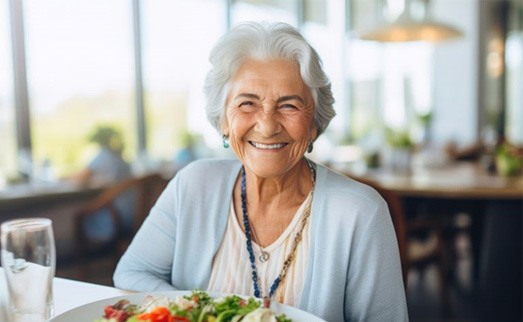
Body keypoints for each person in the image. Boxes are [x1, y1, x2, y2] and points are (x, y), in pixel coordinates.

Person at [114, 22, 408, 321]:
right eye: (247, 104)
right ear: (224, 122)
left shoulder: (361, 212)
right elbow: (131, 274)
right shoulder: (193, 185)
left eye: (289, 106)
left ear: (314, 124)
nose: (267, 126)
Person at [75, 125, 134, 241]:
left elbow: (80, 178)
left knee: (79, 216)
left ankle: (84, 259)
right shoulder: (123, 160)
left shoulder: (104, 155)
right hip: (132, 217)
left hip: (115, 218)